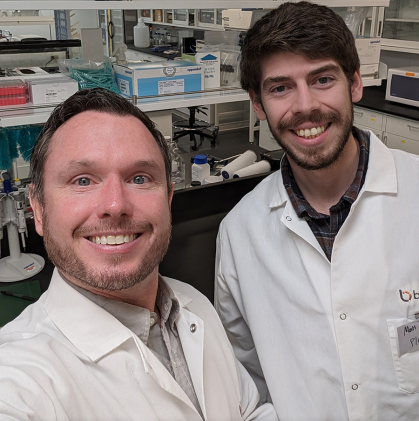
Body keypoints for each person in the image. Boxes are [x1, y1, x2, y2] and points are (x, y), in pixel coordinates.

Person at [0, 88, 277, 421]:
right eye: (83, 180)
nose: (115, 205)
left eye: (140, 178)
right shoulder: (20, 379)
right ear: (38, 209)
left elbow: (248, 412)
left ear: (168, 198)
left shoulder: (193, 306)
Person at [215, 1, 419, 421]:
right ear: (258, 104)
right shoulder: (240, 232)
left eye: (322, 78)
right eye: (280, 88)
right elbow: (244, 379)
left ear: (356, 83)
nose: (305, 106)